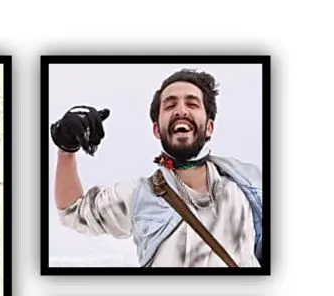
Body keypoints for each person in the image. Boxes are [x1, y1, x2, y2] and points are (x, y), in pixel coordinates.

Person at [50, 68, 263, 268]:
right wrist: (66, 150)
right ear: (156, 130)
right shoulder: (138, 195)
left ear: (209, 127)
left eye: (192, 104)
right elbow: (72, 211)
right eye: (170, 105)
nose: (181, 110)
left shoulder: (247, 188)